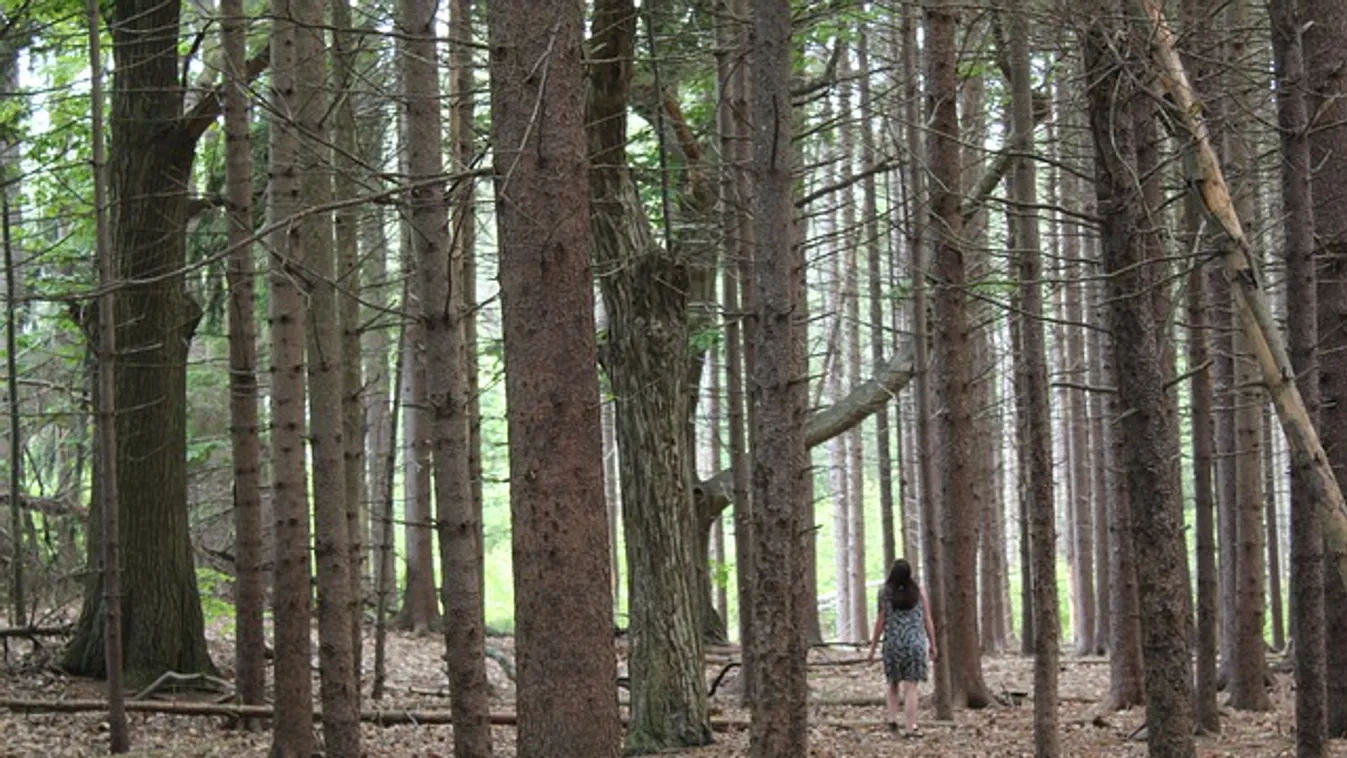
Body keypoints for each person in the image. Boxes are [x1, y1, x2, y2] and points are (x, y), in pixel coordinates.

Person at [867, 558, 936, 737]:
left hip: (893, 644)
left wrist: (873, 648)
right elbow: (927, 619)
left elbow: (880, 622)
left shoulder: (884, 593)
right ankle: (910, 727)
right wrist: (933, 644)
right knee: (911, 687)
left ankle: (892, 720)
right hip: (915, 643)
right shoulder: (919, 592)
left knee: (893, 683)